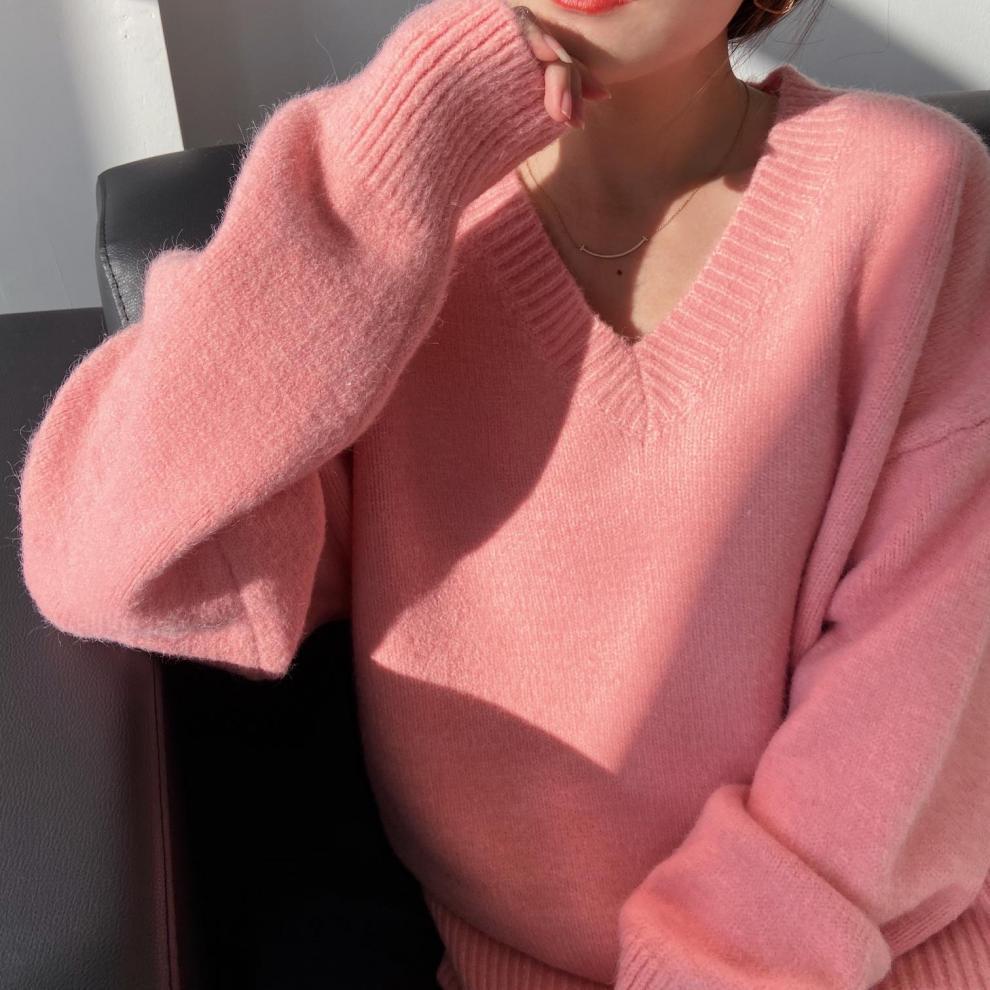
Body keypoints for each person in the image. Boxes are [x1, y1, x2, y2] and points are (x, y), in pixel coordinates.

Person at [16, 0, 990, 987]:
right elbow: (102, 562)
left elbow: (922, 686)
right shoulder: (376, 235)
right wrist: (396, 155)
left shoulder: (914, 191)